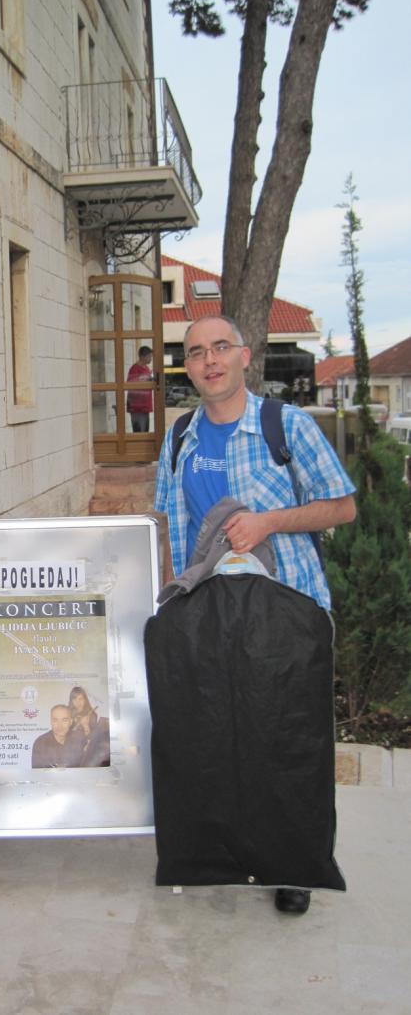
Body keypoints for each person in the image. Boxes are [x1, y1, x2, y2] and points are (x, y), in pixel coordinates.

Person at [153, 315, 356, 915]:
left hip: (285, 610)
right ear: (187, 368)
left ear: (244, 356)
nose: (209, 360)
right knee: (214, 737)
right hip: (207, 613)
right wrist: (169, 599)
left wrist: (269, 521)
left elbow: (342, 507)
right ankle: (217, 856)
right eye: (196, 352)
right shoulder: (180, 437)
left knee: (286, 742)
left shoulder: (285, 425)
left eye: (220, 348)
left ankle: (293, 867)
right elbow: (168, 523)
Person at [68, 685, 110, 767]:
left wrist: (86, 726)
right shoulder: (67, 712)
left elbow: (93, 740)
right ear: (71, 700)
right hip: (69, 751)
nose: (78, 702)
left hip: (83, 753)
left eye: (80, 699)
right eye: (74, 699)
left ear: (85, 700)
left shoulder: (92, 715)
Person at [126, 345, 154, 433]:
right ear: (142, 356)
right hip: (137, 407)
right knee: (138, 432)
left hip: (145, 405)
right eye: (149, 356)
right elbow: (131, 384)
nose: (151, 359)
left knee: (145, 431)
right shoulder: (134, 369)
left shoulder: (147, 368)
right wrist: (146, 380)